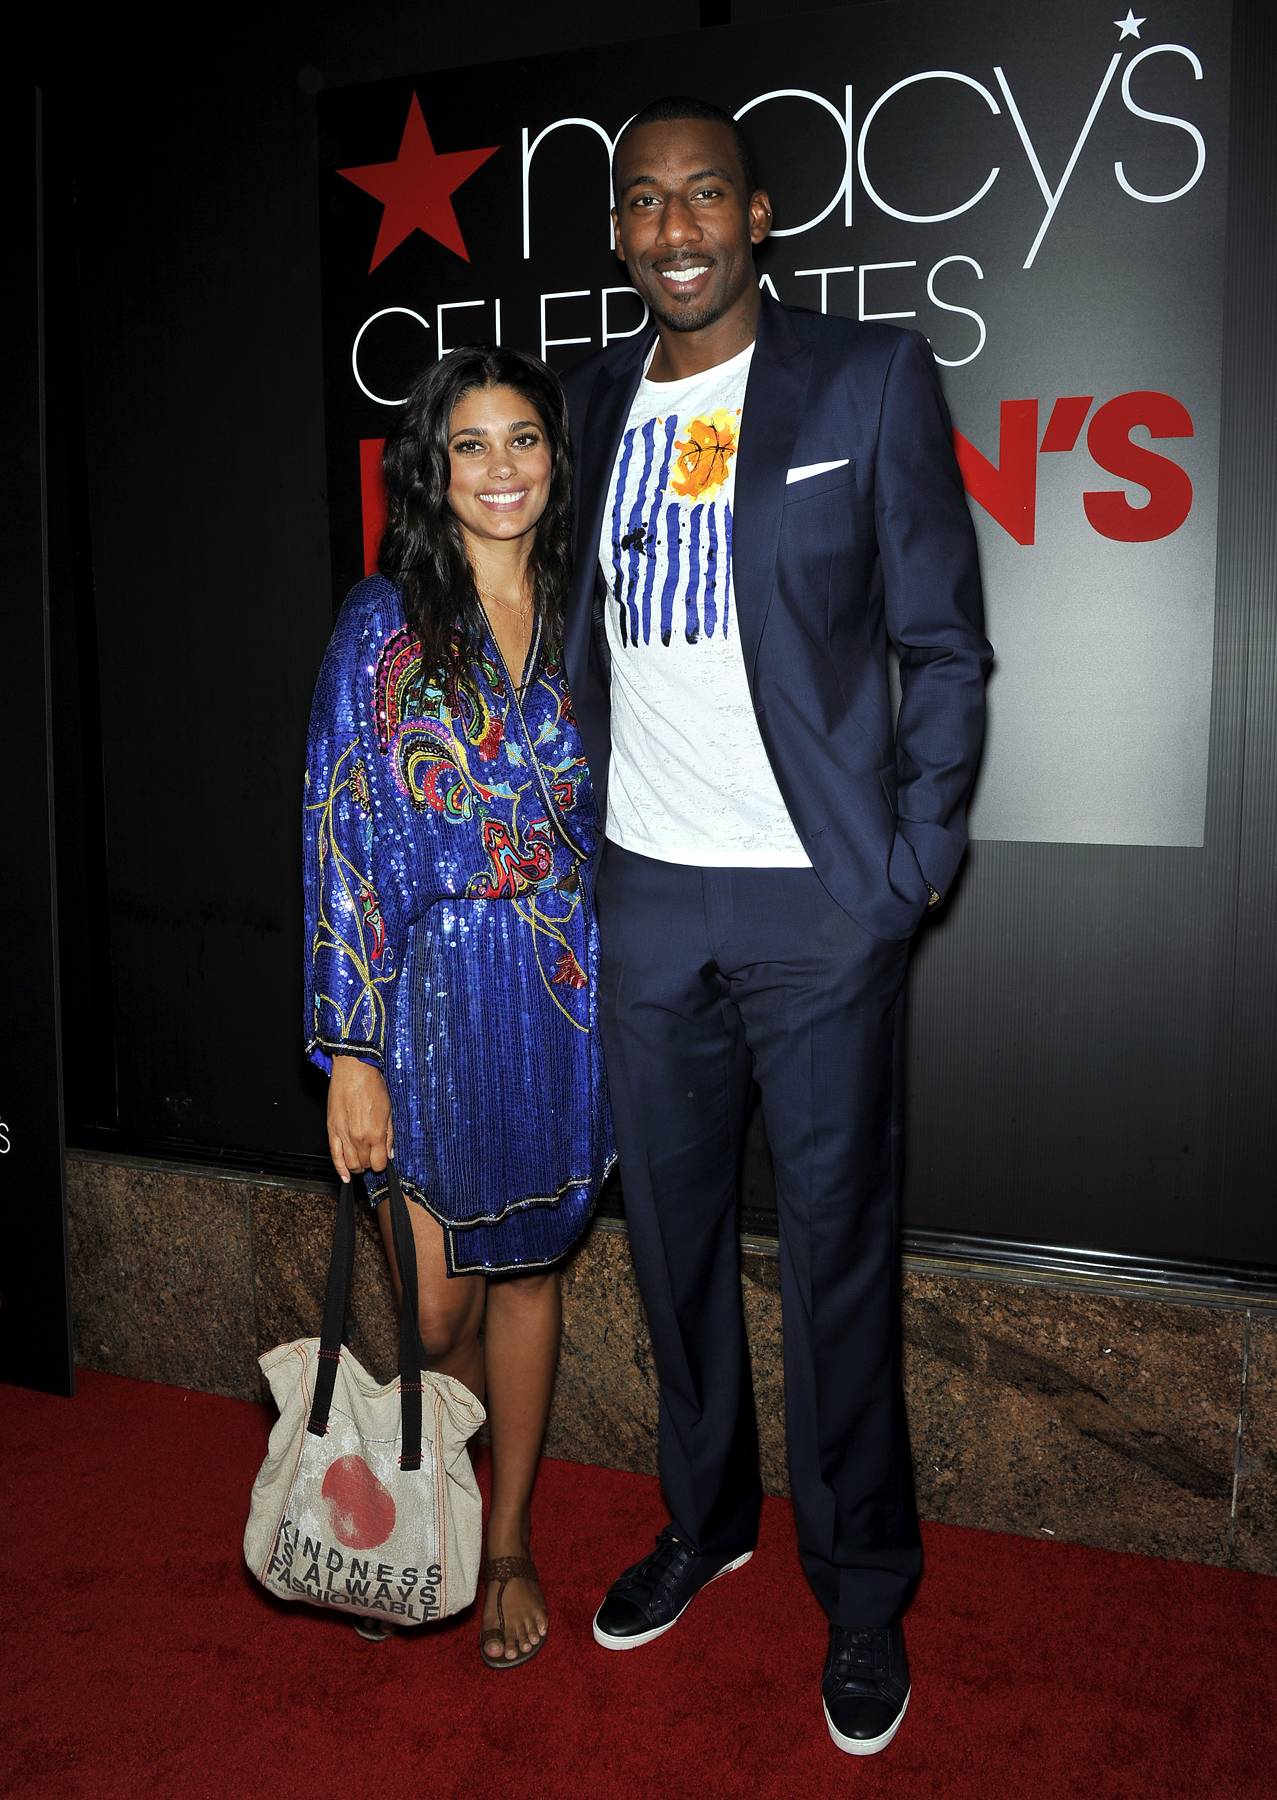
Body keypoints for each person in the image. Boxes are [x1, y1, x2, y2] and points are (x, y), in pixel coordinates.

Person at [561, 97, 991, 1754]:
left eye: (704, 199)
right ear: (619, 231)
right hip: (643, 897)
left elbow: (942, 646)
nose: (676, 231)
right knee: (669, 1258)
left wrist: (907, 871)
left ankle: (864, 1586)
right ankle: (706, 1519)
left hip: (818, 908)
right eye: (644, 205)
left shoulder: (863, 381)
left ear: (759, 214)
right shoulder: (591, 404)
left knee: (835, 1266)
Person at [302, 345, 613, 1668]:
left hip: (560, 991)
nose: (502, 469)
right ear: (431, 468)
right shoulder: (380, 624)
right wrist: (351, 1051)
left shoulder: (592, 614)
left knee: (529, 1272)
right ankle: (439, 1483)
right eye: (470, 444)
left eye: (524, 440)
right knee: (434, 1310)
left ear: (555, 456)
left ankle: (503, 1542)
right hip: (420, 997)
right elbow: (338, 836)